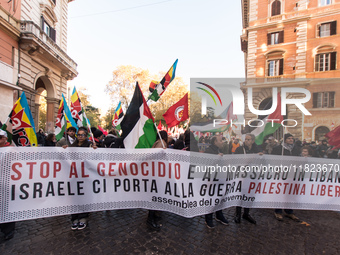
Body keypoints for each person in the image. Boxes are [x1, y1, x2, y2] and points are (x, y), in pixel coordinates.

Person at [64, 127, 97, 230]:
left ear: (86, 136)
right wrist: (64, 149)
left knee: (84, 197)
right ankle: (74, 218)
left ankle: (83, 218)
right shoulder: (72, 146)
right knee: (74, 197)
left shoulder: (89, 145)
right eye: (78, 135)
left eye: (82, 135)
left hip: (85, 176)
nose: (80, 136)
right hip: (74, 176)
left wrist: (95, 150)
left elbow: (94, 159)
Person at [271, 133, 301, 222]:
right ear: (284, 140)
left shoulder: (296, 149)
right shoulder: (278, 149)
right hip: (281, 174)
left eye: (292, 138)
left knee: (290, 193)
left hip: (292, 174)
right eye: (289, 138)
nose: (291, 140)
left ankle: (289, 211)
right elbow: (272, 160)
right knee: (280, 192)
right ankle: (278, 211)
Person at [234, 133, 260, 224]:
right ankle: (237, 213)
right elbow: (234, 160)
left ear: (253, 141)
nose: (246, 141)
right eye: (246, 139)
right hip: (241, 176)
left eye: (248, 139)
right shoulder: (239, 149)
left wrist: (260, 156)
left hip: (252, 176)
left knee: (249, 194)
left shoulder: (257, 150)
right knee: (240, 195)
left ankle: (246, 213)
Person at [204, 135, 229, 228]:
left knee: (220, 198)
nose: (222, 142)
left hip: (220, 178)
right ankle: (208, 218)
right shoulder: (209, 151)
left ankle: (219, 215)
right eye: (220, 140)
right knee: (211, 199)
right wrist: (216, 158)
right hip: (212, 180)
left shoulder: (219, 150)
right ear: (215, 142)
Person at [147, 130, 168, 230]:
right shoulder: (162, 143)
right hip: (157, 172)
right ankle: (150, 219)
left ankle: (153, 216)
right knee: (155, 195)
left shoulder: (156, 142)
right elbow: (157, 156)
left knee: (154, 194)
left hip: (154, 172)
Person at [0, 130, 15, 240]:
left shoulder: (11, 150)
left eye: (1, 137)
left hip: (7, 184)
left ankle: (8, 230)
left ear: (5, 138)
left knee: (7, 206)